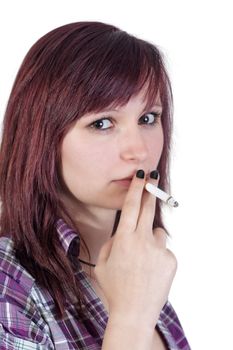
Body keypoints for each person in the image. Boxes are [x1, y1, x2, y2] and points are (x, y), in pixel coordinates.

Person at [0, 21, 190, 349]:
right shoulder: (11, 285)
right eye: (102, 123)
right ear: (41, 138)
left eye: (148, 119)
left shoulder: (138, 268)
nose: (139, 151)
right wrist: (130, 318)